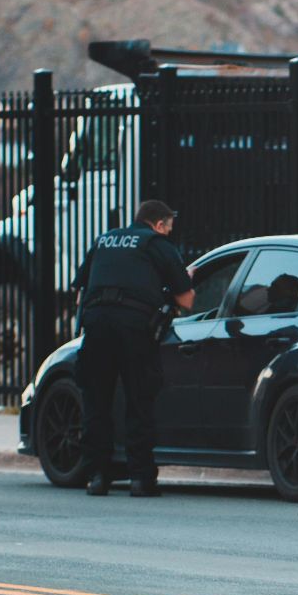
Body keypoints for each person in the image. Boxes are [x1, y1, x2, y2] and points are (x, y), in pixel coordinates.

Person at [70, 200, 195, 497]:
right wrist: (182, 282)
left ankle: (97, 477)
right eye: (169, 228)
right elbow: (186, 301)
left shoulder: (105, 240)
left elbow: (80, 295)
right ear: (159, 224)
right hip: (134, 328)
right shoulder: (157, 245)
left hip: (97, 325)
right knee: (139, 401)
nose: (168, 233)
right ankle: (141, 479)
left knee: (96, 402)